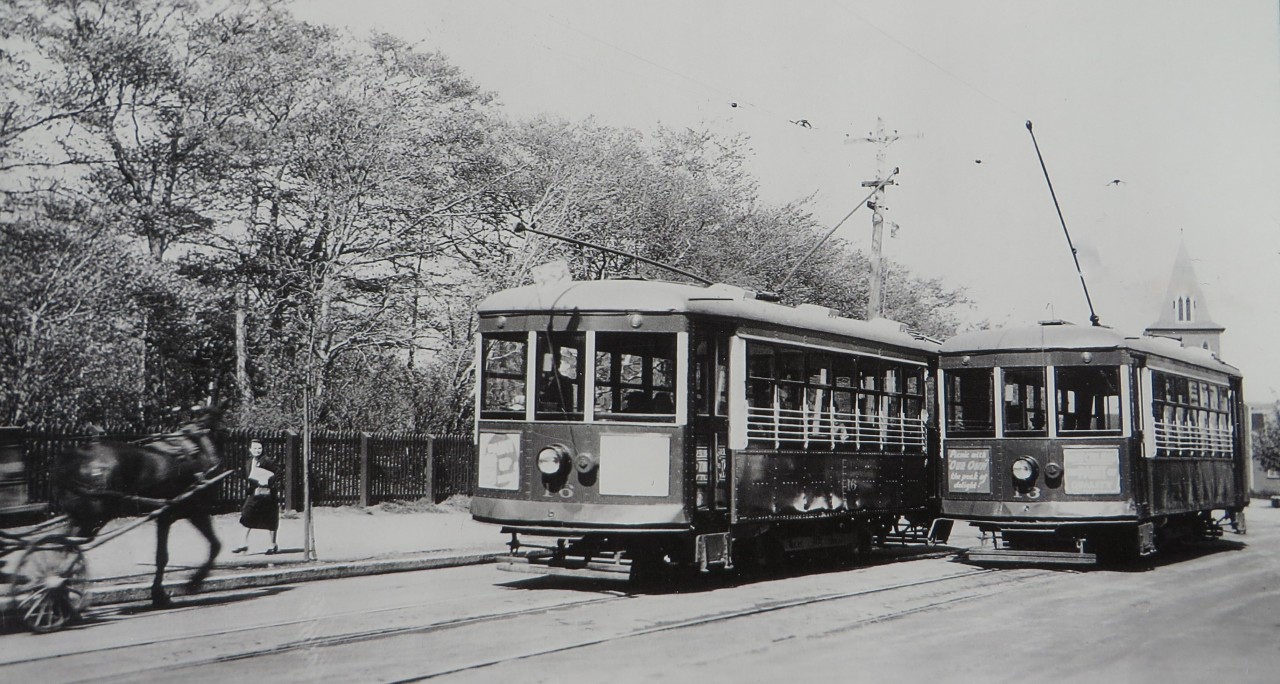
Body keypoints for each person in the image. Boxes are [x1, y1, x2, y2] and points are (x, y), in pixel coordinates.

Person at [233, 440, 279, 555]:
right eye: (254, 448)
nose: (257, 451)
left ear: (263, 449)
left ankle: (272, 544)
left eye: (259, 448)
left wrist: (268, 480)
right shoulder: (249, 462)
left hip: (267, 494)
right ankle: (243, 543)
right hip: (254, 493)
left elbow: (278, 473)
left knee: (270, 519)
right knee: (246, 514)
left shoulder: (268, 461)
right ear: (250, 449)